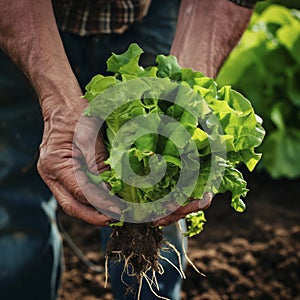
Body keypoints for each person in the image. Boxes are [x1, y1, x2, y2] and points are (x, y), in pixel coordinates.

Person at [0, 0, 259, 299]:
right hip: (23, 18)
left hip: (151, 11)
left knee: (168, 192)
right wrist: (57, 106)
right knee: (14, 189)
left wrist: (186, 96)